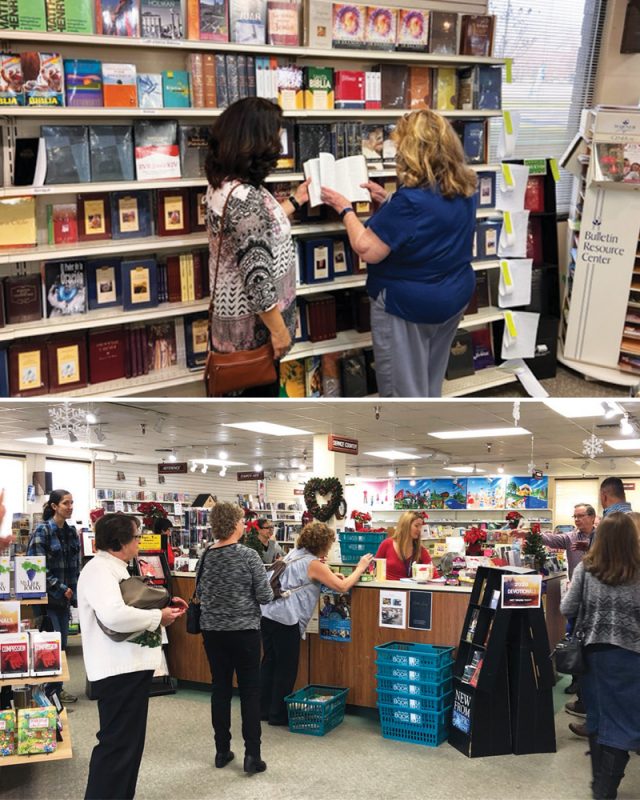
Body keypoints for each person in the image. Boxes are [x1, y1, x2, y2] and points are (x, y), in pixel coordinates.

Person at [321, 109, 478, 397]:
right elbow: (434, 219)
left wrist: (345, 209)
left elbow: (367, 249)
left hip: (409, 308)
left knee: (402, 392)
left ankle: (405, 438)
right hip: (452, 297)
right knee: (430, 380)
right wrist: (389, 199)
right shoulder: (464, 185)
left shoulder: (410, 203)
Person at [204, 97, 310, 396]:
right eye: (275, 138)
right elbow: (257, 279)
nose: (278, 147)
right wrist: (279, 332)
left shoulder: (224, 184)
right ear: (257, 142)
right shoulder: (245, 198)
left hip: (235, 328)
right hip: (254, 336)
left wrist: (295, 201)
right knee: (257, 402)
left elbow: (257, 229)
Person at [77, 513, 186, 800]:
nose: (139, 541)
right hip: (117, 671)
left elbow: (132, 600)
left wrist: (164, 604)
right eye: (136, 536)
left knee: (127, 746)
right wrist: (156, 617)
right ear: (120, 541)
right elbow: (114, 615)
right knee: (117, 746)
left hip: (128, 668)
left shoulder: (116, 568)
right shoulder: (99, 570)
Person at [560, 513, 640, 800]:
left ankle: (599, 783)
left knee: (596, 716)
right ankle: (606, 787)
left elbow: (567, 609)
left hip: (592, 655)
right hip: (631, 656)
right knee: (624, 721)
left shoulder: (586, 568)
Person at [260, 522, 372, 726]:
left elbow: (304, 578)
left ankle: (263, 710)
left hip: (268, 615)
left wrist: (327, 575)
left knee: (269, 663)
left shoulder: (293, 553)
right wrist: (360, 568)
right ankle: (277, 715)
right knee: (286, 668)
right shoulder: (313, 563)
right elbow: (343, 586)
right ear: (322, 544)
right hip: (286, 619)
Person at [197, 502, 273, 775]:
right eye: (241, 520)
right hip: (244, 631)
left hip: (213, 632)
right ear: (233, 524)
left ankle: (221, 750)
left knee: (220, 689)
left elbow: (202, 593)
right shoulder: (248, 555)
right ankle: (252, 755)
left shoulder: (205, 556)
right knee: (250, 691)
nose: (244, 525)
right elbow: (265, 596)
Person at [27, 489, 81, 705]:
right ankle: (48, 691)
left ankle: (56, 690)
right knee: (50, 645)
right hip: (47, 599)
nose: (70, 507)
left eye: (72, 503)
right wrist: (60, 587)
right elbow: (35, 566)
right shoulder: (42, 532)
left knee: (62, 645)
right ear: (54, 506)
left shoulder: (71, 532)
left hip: (65, 599)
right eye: (66, 503)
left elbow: (74, 566)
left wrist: (74, 593)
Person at [374, 511, 437, 581]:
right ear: (405, 526)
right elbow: (375, 569)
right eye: (416, 526)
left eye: (421, 526)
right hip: (387, 589)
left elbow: (434, 575)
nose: (419, 530)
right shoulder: (387, 544)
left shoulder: (420, 550)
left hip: (408, 590)